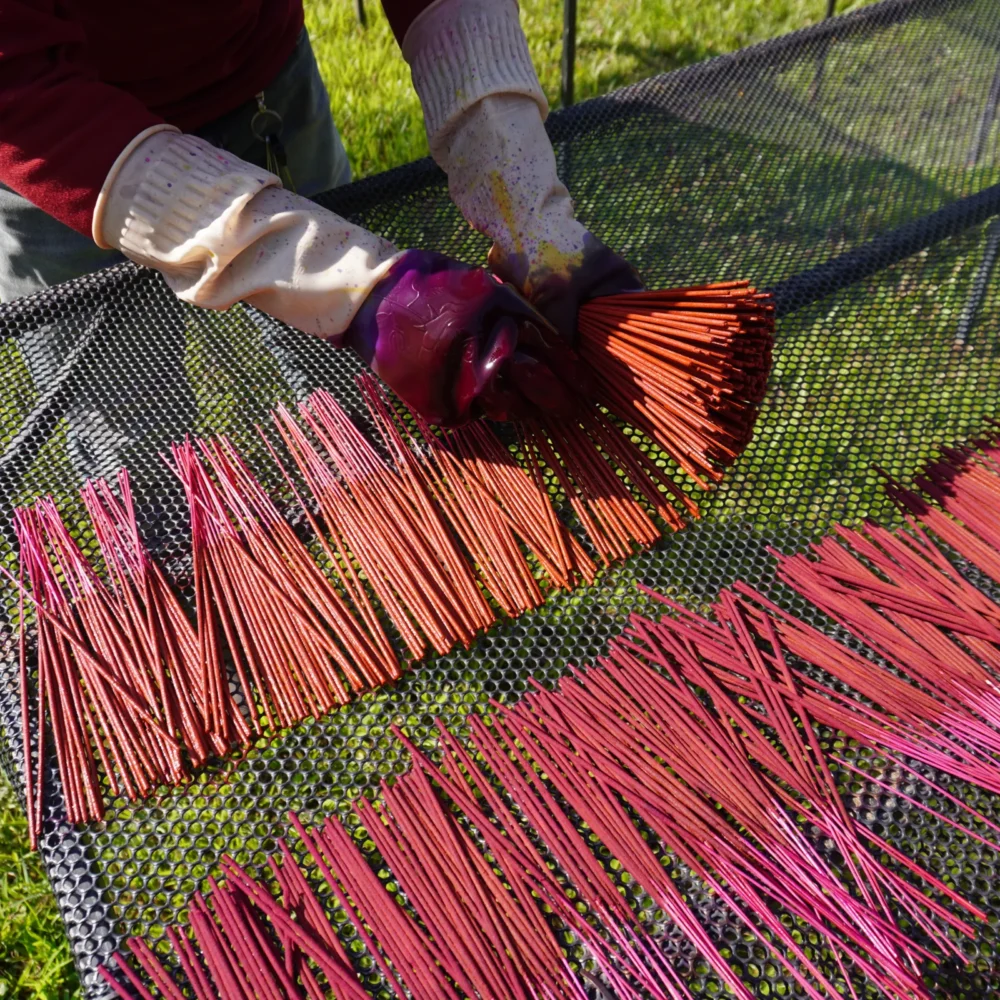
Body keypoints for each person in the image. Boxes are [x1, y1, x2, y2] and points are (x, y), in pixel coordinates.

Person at [0, 0, 641, 432]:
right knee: (130, 441)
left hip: (258, 76)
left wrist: (518, 186)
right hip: (57, 146)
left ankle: (371, 494)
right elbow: (19, 94)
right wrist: (349, 283)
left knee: (354, 407)